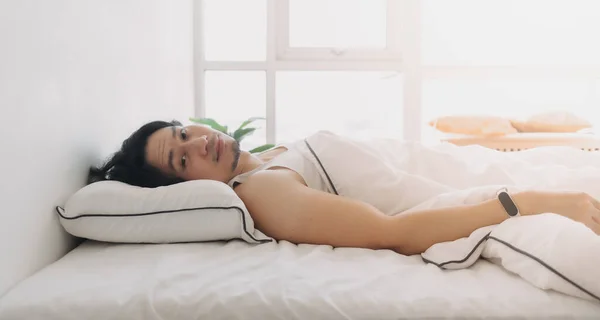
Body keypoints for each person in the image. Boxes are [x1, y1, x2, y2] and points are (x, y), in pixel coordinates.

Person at [89, 120, 600, 255]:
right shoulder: (260, 192)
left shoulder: (268, 158)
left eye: (184, 133)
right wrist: (530, 202)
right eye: (182, 160)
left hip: (472, 164)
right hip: (499, 189)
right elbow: (391, 233)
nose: (199, 144)